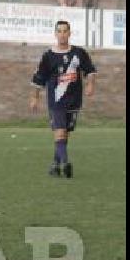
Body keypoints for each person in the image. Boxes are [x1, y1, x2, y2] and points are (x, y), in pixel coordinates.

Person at [30, 20, 98, 178]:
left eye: (65, 31)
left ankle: (55, 165)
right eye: (59, 31)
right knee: (60, 132)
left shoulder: (79, 53)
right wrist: (34, 97)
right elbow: (39, 78)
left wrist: (90, 85)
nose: (62, 34)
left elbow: (90, 71)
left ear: (69, 33)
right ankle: (66, 163)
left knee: (65, 134)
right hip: (56, 100)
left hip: (74, 100)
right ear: (55, 34)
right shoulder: (48, 56)